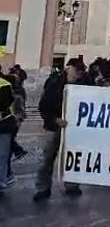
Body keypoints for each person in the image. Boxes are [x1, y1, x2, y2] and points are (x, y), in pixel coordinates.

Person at [33, 59, 86, 202]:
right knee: (47, 159)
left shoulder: (83, 84)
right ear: (69, 68)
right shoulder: (55, 83)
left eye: (81, 71)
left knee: (72, 158)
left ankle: (72, 185)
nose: (78, 74)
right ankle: (43, 188)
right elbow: (43, 105)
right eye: (76, 70)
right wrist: (55, 119)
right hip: (53, 127)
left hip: (73, 129)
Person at [0, 73, 17, 193]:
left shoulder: (4, 85)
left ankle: (1, 180)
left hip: (4, 125)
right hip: (5, 125)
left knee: (2, 155)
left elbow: (4, 104)